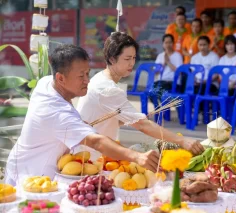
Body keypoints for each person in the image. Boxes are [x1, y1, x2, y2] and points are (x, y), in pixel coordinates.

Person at [5, 45, 160, 186]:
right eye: (81, 76)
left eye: (88, 73)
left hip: (31, 167)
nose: (87, 80)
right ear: (60, 78)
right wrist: (136, 156)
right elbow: (96, 142)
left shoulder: (46, 83)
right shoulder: (57, 113)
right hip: (32, 179)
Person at [77, 32, 204, 157]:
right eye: (127, 59)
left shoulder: (100, 78)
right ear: (112, 59)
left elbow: (111, 118)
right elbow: (142, 125)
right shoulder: (108, 89)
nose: (132, 63)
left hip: (91, 152)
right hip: (87, 157)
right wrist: (182, 140)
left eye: (133, 58)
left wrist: (132, 118)